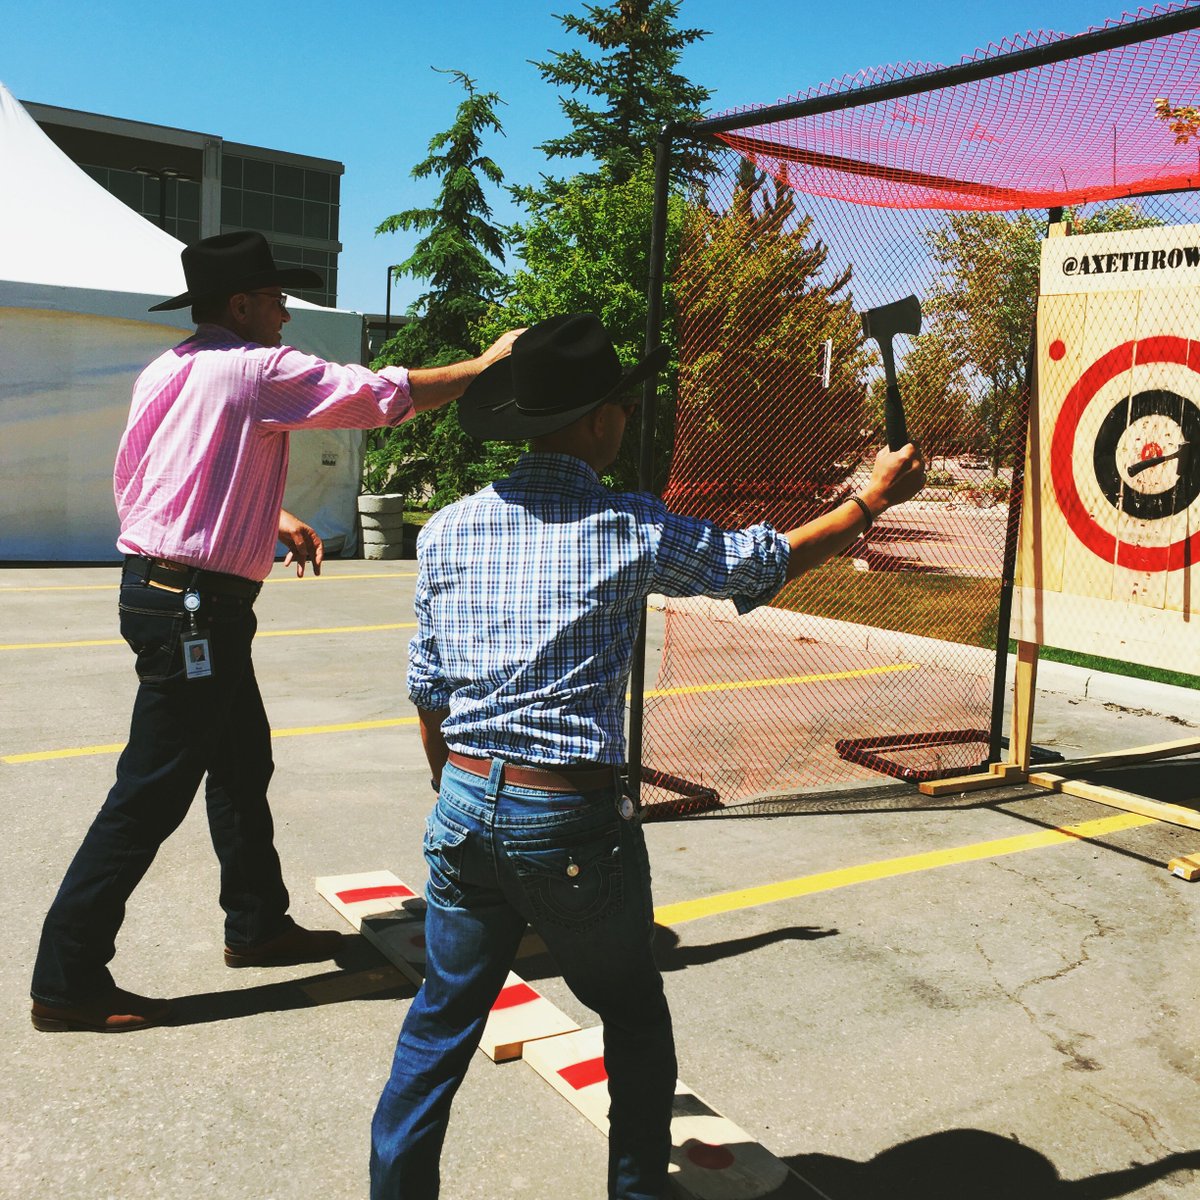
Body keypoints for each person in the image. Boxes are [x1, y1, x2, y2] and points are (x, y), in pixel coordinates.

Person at [369, 312, 926, 1199]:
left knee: (439, 1022)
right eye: (620, 408)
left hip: (464, 799)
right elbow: (761, 563)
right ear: (593, 422)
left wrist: (461, 787)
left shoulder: (448, 528)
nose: (626, 420)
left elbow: (428, 690)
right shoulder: (624, 524)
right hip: (568, 819)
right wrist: (871, 500)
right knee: (629, 1012)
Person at [29, 230, 520, 1034]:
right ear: (241, 305)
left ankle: (255, 925)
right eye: (276, 298)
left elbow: (151, 475)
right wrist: (486, 366)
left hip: (171, 594)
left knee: (241, 758)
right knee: (148, 796)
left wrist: (270, 512)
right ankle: (67, 978)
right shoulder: (259, 370)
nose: (287, 312)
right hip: (197, 607)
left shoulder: (172, 366)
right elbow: (380, 396)